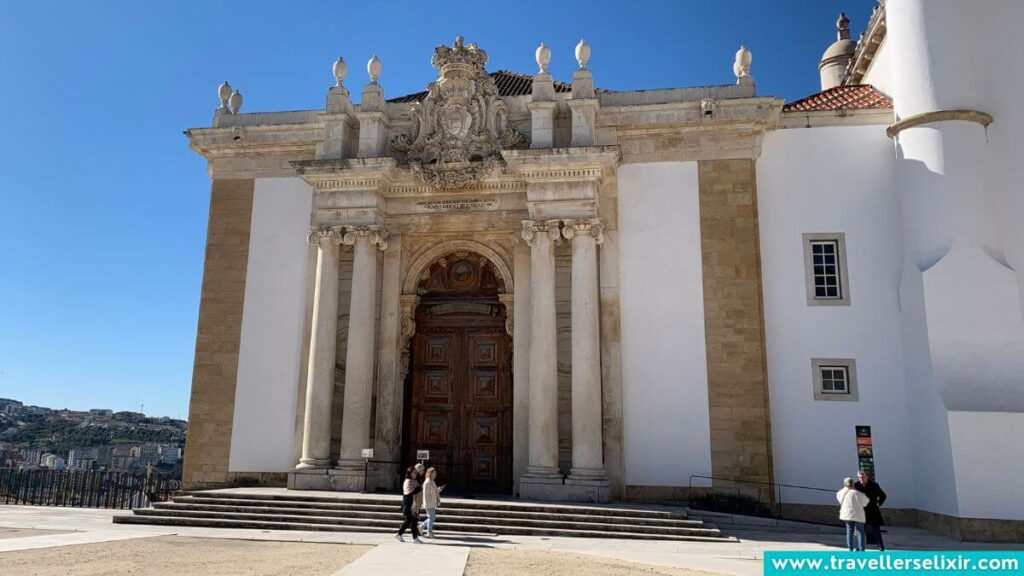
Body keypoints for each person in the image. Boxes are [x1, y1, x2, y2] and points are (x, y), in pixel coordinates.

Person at [855, 470, 888, 551]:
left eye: (863, 477)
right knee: (861, 530)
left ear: (867, 477)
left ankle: (880, 546)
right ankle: (860, 546)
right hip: (862, 511)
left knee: (876, 529)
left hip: (872, 510)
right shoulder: (856, 485)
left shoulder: (874, 485)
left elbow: (883, 495)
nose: (861, 479)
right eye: (860, 477)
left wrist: (878, 504)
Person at [837, 476, 869, 551]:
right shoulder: (857, 493)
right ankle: (861, 548)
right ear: (853, 484)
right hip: (858, 515)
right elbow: (866, 502)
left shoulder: (840, 492)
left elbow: (839, 500)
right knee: (860, 531)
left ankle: (850, 548)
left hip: (847, 515)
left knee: (849, 530)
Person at [396, 466, 424, 544]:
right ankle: (414, 538)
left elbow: (417, 490)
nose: (415, 474)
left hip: (414, 505)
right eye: (414, 472)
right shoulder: (408, 481)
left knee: (411, 521)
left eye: (416, 472)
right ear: (410, 473)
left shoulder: (414, 481)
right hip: (409, 505)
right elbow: (410, 492)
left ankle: (400, 534)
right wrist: (420, 488)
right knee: (412, 521)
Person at [419, 467, 445, 538]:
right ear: (430, 473)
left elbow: (434, 491)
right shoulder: (427, 482)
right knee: (432, 517)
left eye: (435, 473)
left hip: (432, 502)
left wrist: (439, 489)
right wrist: (426, 504)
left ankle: (421, 527)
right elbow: (425, 494)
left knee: (432, 517)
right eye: (434, 473)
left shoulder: (432, 481)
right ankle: (429, 531)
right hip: (429, 503)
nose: (435, 474)